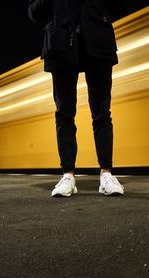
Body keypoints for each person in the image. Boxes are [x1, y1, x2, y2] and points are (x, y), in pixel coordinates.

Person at [27, 0, 125, 197]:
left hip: (97, 40)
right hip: (60, 44)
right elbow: (34, 11)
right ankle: (68, 176)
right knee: (64, 113)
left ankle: (106, 174)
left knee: (102, 112)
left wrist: (99, 16)